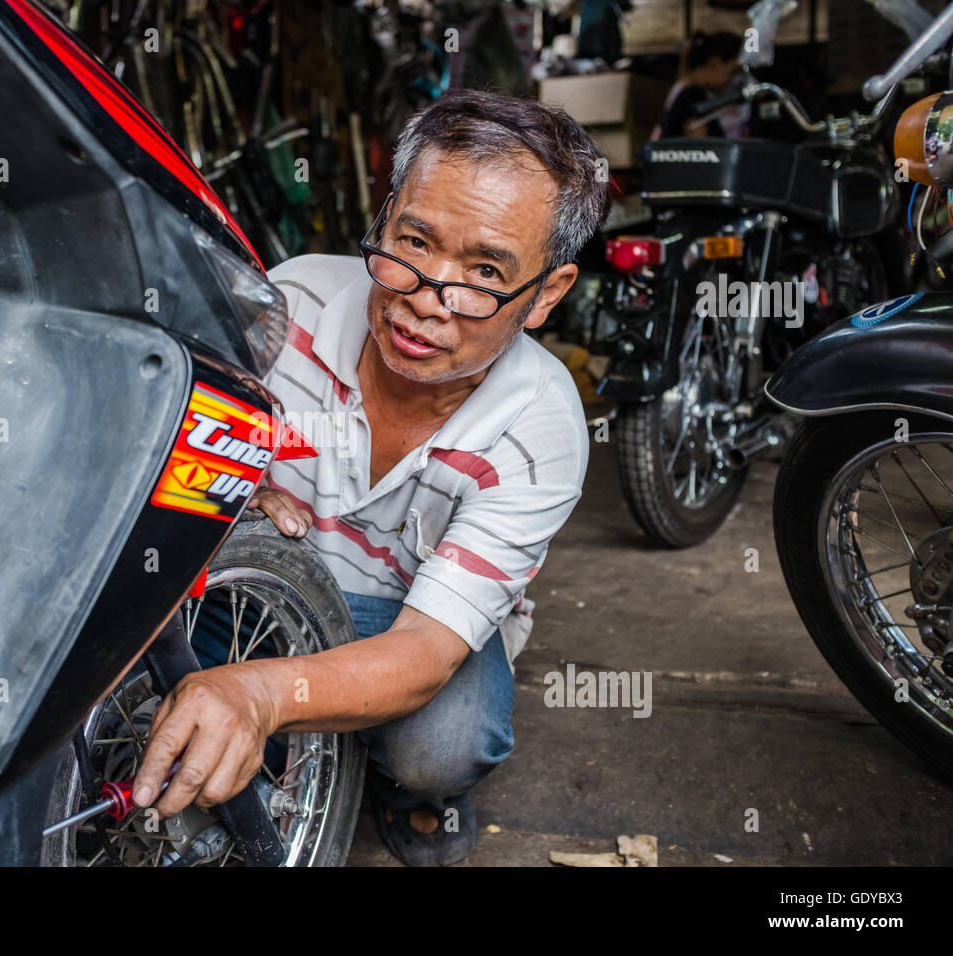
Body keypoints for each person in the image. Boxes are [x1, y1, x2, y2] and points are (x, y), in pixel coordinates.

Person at [131, 89, 608, 866]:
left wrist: (260, 696)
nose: (426, 301)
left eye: (484, 270)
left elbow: (424, 649)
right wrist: (239, 488)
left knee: (444, 743)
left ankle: (398, 786)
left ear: (546, 294)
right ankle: (295, 729)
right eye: (414, 243)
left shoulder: (540, 431)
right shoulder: (293, 302)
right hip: (267, 585)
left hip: (407, 618)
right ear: (385, 215)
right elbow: (181, 458)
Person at [656, 30, 744, 139]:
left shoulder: (683, 87)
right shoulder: (692, 95)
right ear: (715, 63)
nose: (733, 80)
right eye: (733, 72)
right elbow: (700, 145)